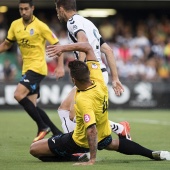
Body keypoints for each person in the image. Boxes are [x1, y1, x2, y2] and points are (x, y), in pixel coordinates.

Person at [30, 42, 170, 165]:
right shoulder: (99, 81)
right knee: (114, 144)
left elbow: (91, 131)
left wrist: (92, 159)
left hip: (79, 141)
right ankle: (152, 153)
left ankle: (76, 157)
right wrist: (63, 48)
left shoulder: (83, 100)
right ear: (88, 74)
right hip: (104, 135)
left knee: (35, 149)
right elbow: (87, 47)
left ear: (73, 80)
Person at [53, 0, 130, 140]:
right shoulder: (89, 24)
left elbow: (83, 42)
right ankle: (118, 128)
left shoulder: (72, 22)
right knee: (65, 110)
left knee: (72, 114)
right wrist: (115, 79)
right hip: (100, 73)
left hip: (90, 74)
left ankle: (78, 147)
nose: (57, 14)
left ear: (62, 9)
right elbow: (108, 50)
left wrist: (79, 68)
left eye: (57, 11)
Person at [0, 0, 64, 142]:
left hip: (37, 68)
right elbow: (6, 44)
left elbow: (57, 45)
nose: (23, 12)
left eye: (26, 9)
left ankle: (42, 126)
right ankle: (56, 132)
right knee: (32, 105)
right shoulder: (15, 25)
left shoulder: (41, 26)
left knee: (18, 94)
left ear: (32, 8)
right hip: (26, 69)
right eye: (21, 9)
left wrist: (60, 66)